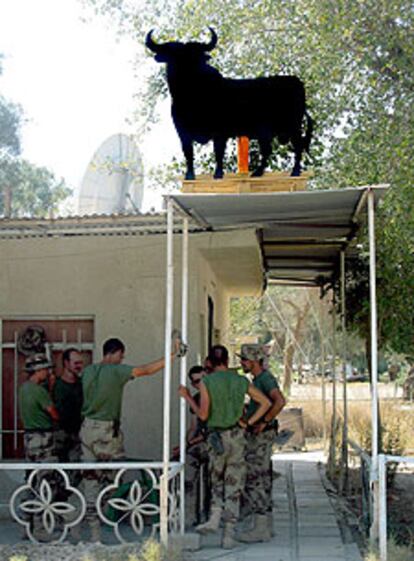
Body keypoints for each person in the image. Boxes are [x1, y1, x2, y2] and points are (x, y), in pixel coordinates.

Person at [80, 336, 181, 541]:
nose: (122, 358)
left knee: (89, 477)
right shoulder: (116, 370)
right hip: (106, 431)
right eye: (121, 355)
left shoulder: (89, 371)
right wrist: (172, 356)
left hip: (87, 428)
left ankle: (91, 528)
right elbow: (145, 370)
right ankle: (114, 519)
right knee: (115, 476)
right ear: (115, 353)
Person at [180, 344, 271, 549]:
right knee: (234, 483)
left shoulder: (206, 382)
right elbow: (265, 402)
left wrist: (187, 397)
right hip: (237, 437)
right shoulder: (240, 380)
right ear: (228, 361)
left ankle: (214, 517)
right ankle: (229, 535)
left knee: (217, 480)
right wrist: (247, 422)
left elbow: (202, 415)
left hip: (216, 438)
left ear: (210, 363)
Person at [237, 344, 286, 543]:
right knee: (262, 478)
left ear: (254, 361)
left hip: (261, 435)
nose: (242, 363)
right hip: (260, 434)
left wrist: (263, 421)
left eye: (244, 360)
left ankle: (260, 528)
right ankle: (264, 524)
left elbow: (280, 401)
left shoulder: (265, 379)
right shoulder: (258, 379)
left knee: (255, 478)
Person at [18, 353, 60, 540]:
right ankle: (40, 528)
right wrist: (51, 389)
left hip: (29, 438)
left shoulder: (24, 389)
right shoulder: (39, 391)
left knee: (31, 482)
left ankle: (26, 525)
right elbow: (54, 413)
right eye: (45, 369)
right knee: (45, 483)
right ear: (38, 371)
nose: (48, 372)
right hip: (43, 438)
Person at [178, 365, 209, 526]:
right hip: (199, 444)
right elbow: (193, 427)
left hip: (214, 443)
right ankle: (189, 514)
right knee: (187, 472)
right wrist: (184, 445)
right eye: (197, 381)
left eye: (203, 379)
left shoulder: (214, 394)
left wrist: (189, 443)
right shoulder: (197, 398)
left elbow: (208, 429)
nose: (200, 384)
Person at [54, 348, 84, 463]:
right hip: (60, 435)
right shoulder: (55, 385)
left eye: (81, 363)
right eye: (76, 363)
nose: (79, 366)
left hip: (77, 435)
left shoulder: (82, 384)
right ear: (66, 363)